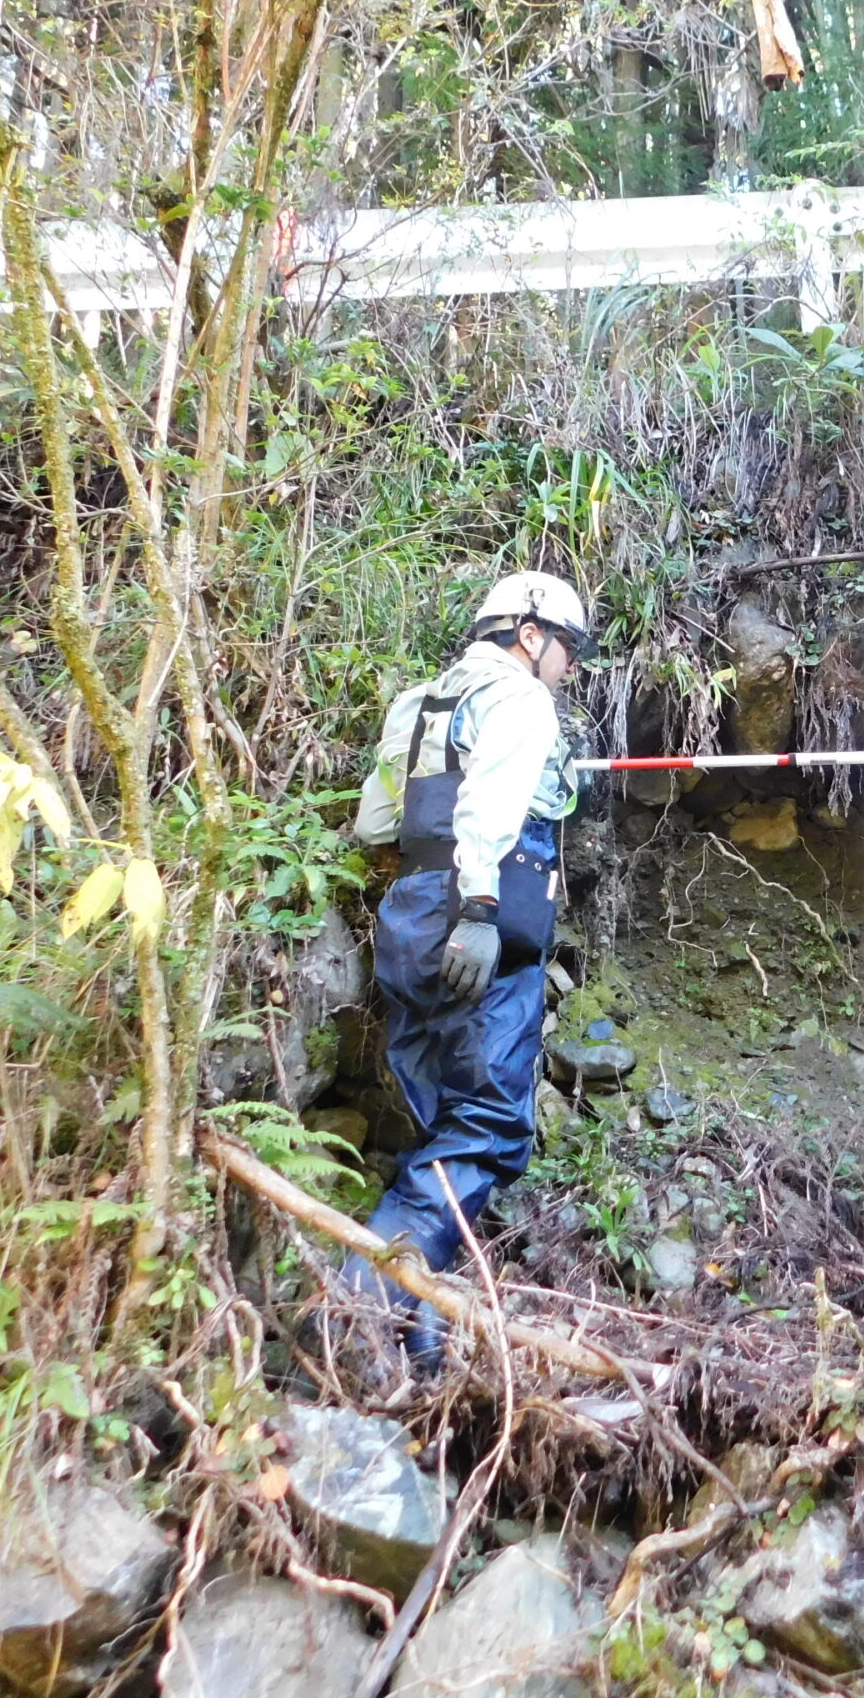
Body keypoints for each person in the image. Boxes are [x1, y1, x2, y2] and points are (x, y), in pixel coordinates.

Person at [345, 570, 593, 1352]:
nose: (571, 668)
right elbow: (488, 805)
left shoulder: (416, 701)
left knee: (440, 1122)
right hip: (478, 928)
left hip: (410, 920)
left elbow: (374, 821)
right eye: (568, 650)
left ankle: (415, 1330)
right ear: (530, 636)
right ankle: (354, 1301)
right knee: (487, 1123)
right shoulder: (521, 700)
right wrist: (480, 910)